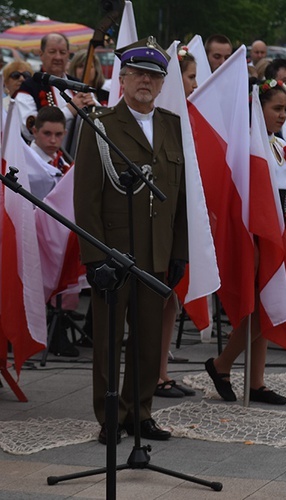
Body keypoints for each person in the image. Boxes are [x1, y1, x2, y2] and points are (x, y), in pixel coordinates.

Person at [74, 36, 188, 444]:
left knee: (146, 340)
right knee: (108, 341)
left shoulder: (173, 126)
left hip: (156, 252)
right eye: (138, 73)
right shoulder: (101, 125)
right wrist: (94, 255)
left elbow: (181, 197)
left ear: (162, 84)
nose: (145, 81)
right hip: (114, 254)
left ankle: (140, 412)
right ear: (122, 78)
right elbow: (85, 197)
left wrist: (179, 252)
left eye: (154, 76)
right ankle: (110, 417)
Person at [204, 80, 286, 406]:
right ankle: (222, 364)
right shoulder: (246, 147)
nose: (281, 115)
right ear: (257, 108)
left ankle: (256, 381)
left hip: (278, 228)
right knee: (259, 305)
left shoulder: (278, 146)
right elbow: (242, 197)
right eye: (275, 109)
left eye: (283, 109)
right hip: (254, 232)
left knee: (269, 300)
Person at [156, 46, 198, 398]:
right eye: (190, 76)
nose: (196, 84)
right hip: (154, 228)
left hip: (176, 228)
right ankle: (153, 374)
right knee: (157, 300)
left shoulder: (186, 118)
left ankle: (161, 371)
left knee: (169, 299)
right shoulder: (163, 123)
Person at [15, 33, 95, 145]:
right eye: (52, 52)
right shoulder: (28, 87)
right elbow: (29, 130)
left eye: (62, 52)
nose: (58, 57)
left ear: (68, 55)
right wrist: (69, 111)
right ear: (41, 54)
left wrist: (94, 107)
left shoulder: (78, 85)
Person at [28, 105, 68, 200]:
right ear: (35, 132)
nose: (53, 140)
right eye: (47, 133)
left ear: (65, 133)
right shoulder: (27, 163)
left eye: (58, 134)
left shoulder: (61, 161)